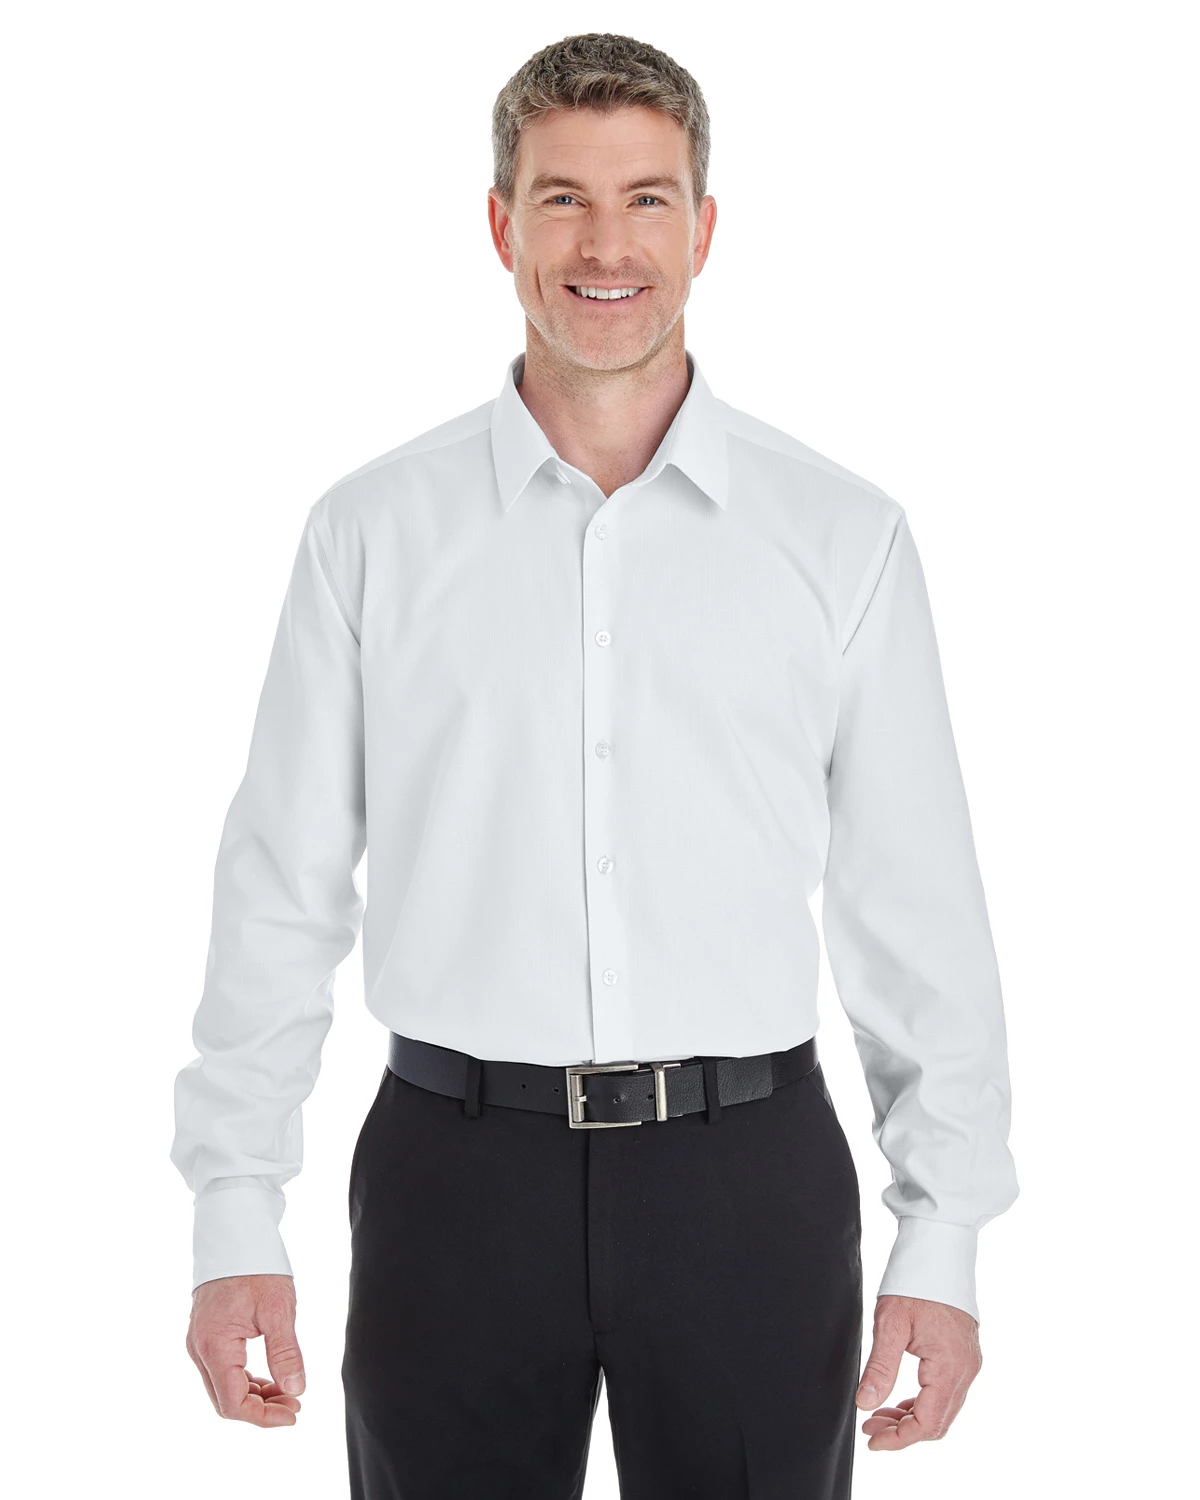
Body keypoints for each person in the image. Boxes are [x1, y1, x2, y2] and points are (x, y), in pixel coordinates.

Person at [171, 31, 1018, 1499]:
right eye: (563, 199)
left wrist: (942, 1235)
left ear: (704, 229)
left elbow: (914, 905)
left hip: (746, 1180)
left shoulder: (842, 540)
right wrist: (235, 1207)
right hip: (452, 1178)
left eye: (645, 200)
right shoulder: (372, 533)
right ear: (502, 225)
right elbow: (280, 887)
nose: (605, 246)